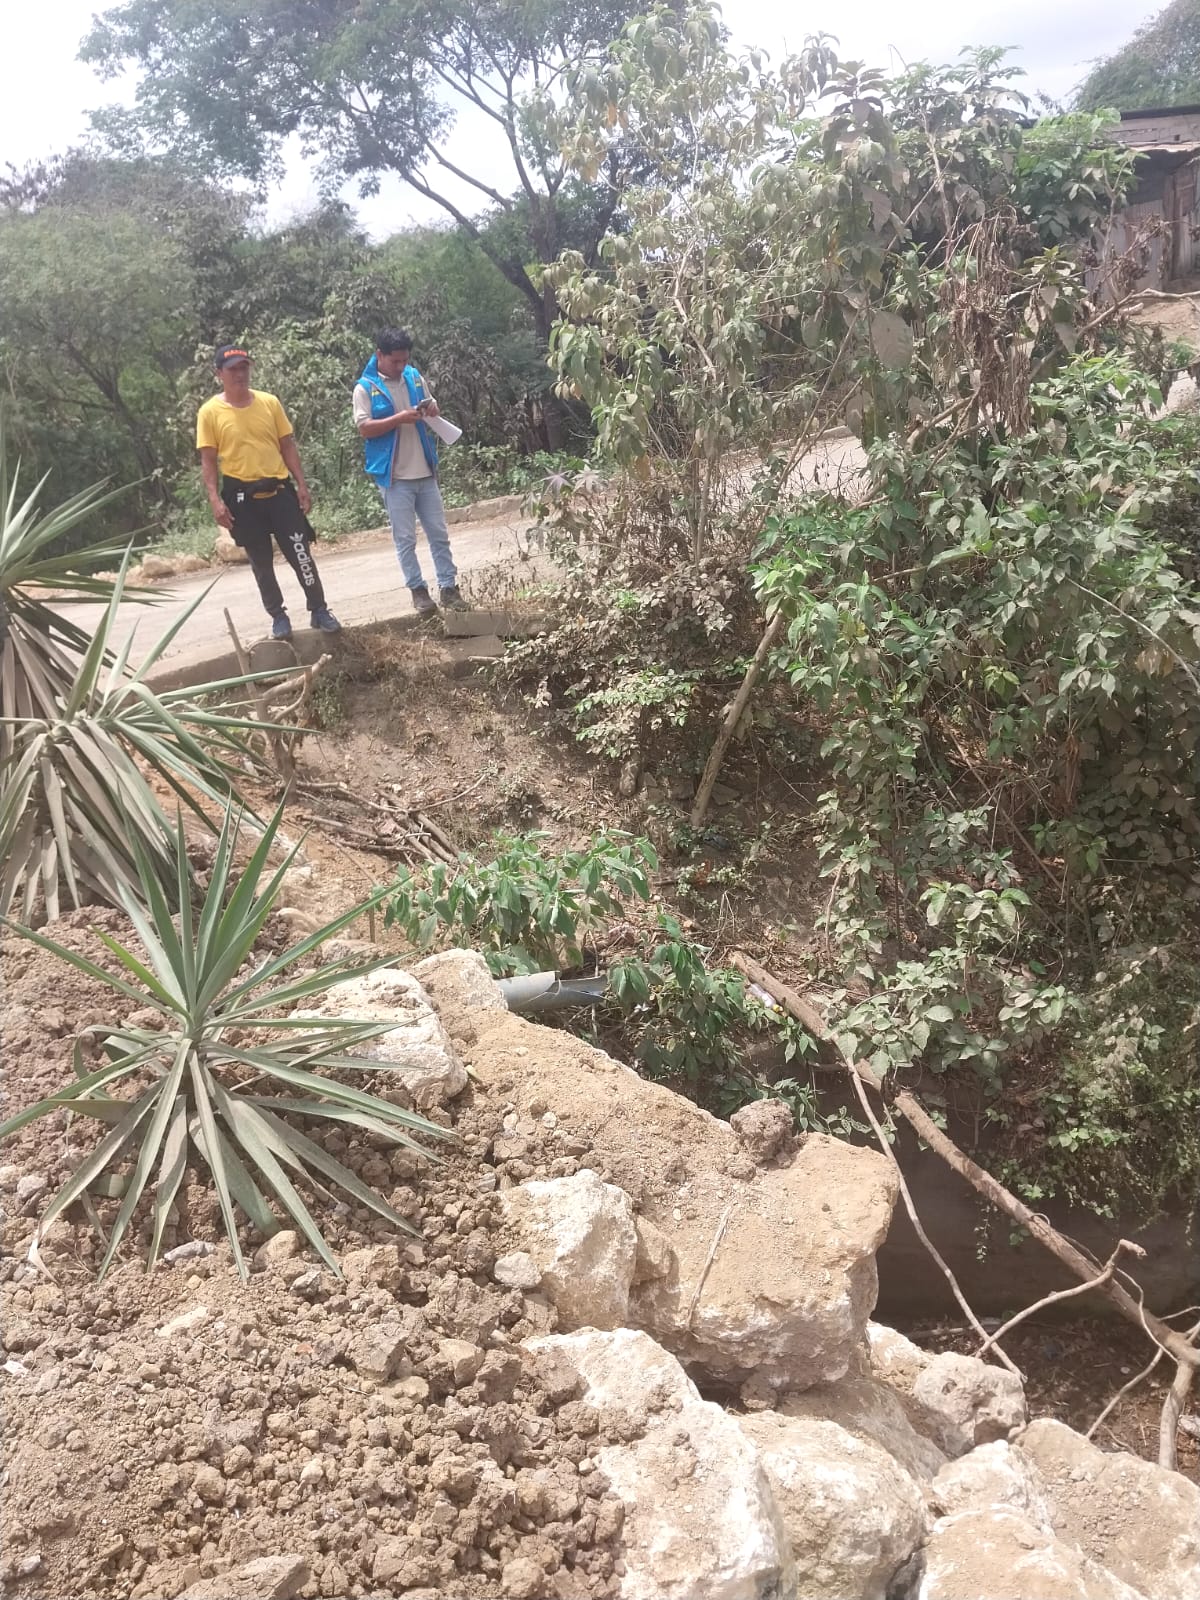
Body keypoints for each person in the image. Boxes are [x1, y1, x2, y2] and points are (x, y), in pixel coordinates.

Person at [197, 344, 341, 638]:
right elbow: (208, 460)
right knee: (261, 562)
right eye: (233, 369)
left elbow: (287, 445)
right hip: (242, 498)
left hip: (279, 491)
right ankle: (278, 616)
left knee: (301, 553)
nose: (240, 374)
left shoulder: (269, 403)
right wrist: (214, 499)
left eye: (244, 367)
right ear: (219, 373)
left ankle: (319, 609)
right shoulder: (210, 412)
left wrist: (301, 484)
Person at [354, 329, 466, 613]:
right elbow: (365, 428)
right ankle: (418, 591)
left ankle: (449, 588)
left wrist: (433, 408)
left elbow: (432, 403)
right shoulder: (365, 388)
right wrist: (399, 419)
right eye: (395, 361)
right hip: (395, 477)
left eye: (405, 360)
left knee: (439, 533)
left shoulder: (414, 377)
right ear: (380, 355)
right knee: (405, 538)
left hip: (425, 471)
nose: (401, 366)